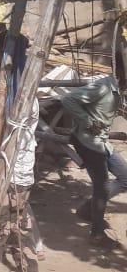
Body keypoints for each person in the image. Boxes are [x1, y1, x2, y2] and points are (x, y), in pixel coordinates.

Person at [0, 31, 43, 266]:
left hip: (14, 168)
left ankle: (23, 262)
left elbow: (11, 126)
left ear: (2, 54)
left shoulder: (24, 93)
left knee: (10, 226)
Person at [59, 61, 127, 249]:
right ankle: (96, 234)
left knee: (124, 177)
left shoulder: (118, 90)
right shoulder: (103, 87)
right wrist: (88, 122)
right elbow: (68, 100)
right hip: (88, 142)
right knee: (101, 186)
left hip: (101, 143)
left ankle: (87, 209)